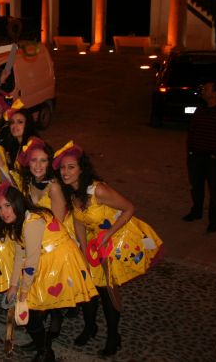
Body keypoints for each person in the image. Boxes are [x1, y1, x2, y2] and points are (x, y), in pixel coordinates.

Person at [55, 141, 163, 357]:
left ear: (81, 169)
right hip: (93, 242)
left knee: (107, 291)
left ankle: (114, 336)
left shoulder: (98, 190)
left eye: (71, 167)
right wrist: (83, 250)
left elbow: (129, 208)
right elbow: (78, 221)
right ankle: (90, 327)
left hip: (115, 238)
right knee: (88, 287)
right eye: (63, 168)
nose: (65, 172)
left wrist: (108, 233)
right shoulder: (72, 191)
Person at [0, 184, 98, 362]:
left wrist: (23, 292)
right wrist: (13, 285)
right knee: (34, 308)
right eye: (0, 208)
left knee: (31, 309)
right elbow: (20, 256)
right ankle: (42, 344)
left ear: (17, 203)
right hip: (47, 260)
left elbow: (30, 261)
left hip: (60, 262)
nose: (3, 212)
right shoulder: (19, 222)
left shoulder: (31, 222)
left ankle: (45, 352)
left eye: (7, 205)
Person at [183, 79, 216, 233]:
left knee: (214, 189)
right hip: (195, 155)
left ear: (215, 93)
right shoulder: (201, 109)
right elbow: (192, 130)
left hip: (212, 157)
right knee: (196, 186)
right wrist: (190, 150)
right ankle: (196, 211)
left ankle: (214, 219)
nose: (203, 91)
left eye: (207, 89)